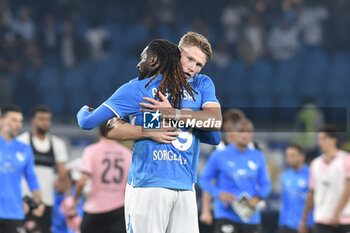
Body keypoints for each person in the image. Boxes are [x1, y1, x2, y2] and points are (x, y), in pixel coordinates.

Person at [77, 36, 222, 233]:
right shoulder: (144, 88)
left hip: (186, 188)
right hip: (149, 185)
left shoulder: (200, 84)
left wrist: (172, 113)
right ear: (177, 53)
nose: (192, 68)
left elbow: (215, 125)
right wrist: (147, 130)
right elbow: (110, 128)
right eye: (189, 59)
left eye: (199, 65)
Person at [199, 118, 271, 233]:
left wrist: (258, 197)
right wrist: (219, 193)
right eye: (241, 131)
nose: (245, 135)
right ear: (233, 133)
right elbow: (204, 179)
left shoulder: (258, 156)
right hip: (226, 215)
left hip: (251, 217)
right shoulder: (219, 155)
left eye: (249, 131)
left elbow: (266, 183)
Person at [69, 122, 131, 233]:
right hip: (119, 209)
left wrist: (75, 199)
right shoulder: (126, 153)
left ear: (98, 132)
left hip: (95, 208)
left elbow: (82, 181)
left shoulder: (91, 151)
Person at [17, 105, 70, 233]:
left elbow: (62, 174)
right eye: (41, 119)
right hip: (23, 200)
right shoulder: (22, 142)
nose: (46, 122)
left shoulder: (57, 144)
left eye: (48, 119)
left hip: (46, 201)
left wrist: (66, 193)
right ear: (32, 121)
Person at [0, 105, 45, 233]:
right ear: (1, 121)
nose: (18, 124)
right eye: (14, 120)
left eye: (20, 121)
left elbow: (31, 178)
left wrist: (39, 201)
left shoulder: (24, 148)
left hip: (14, 212)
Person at [299, 125, 350, 233]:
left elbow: (348, 188)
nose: (320, 142)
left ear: (333, 140)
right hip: (322, 218)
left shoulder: (346, 159)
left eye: (323, 138)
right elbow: (312, 192)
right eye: (319, 139)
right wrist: (304, 219)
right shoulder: (314, 164)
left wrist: (337, 212)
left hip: (345, 218)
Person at [278, 143, 313, 233]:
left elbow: (313, 199)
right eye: (287, 156)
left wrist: (305, 221)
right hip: (287, 225)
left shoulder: (311, 174)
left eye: (292, 156)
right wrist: (281, 223)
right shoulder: (285, 176)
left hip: (307, 225)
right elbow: (284, 201)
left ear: (302, 157)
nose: (289, 159)